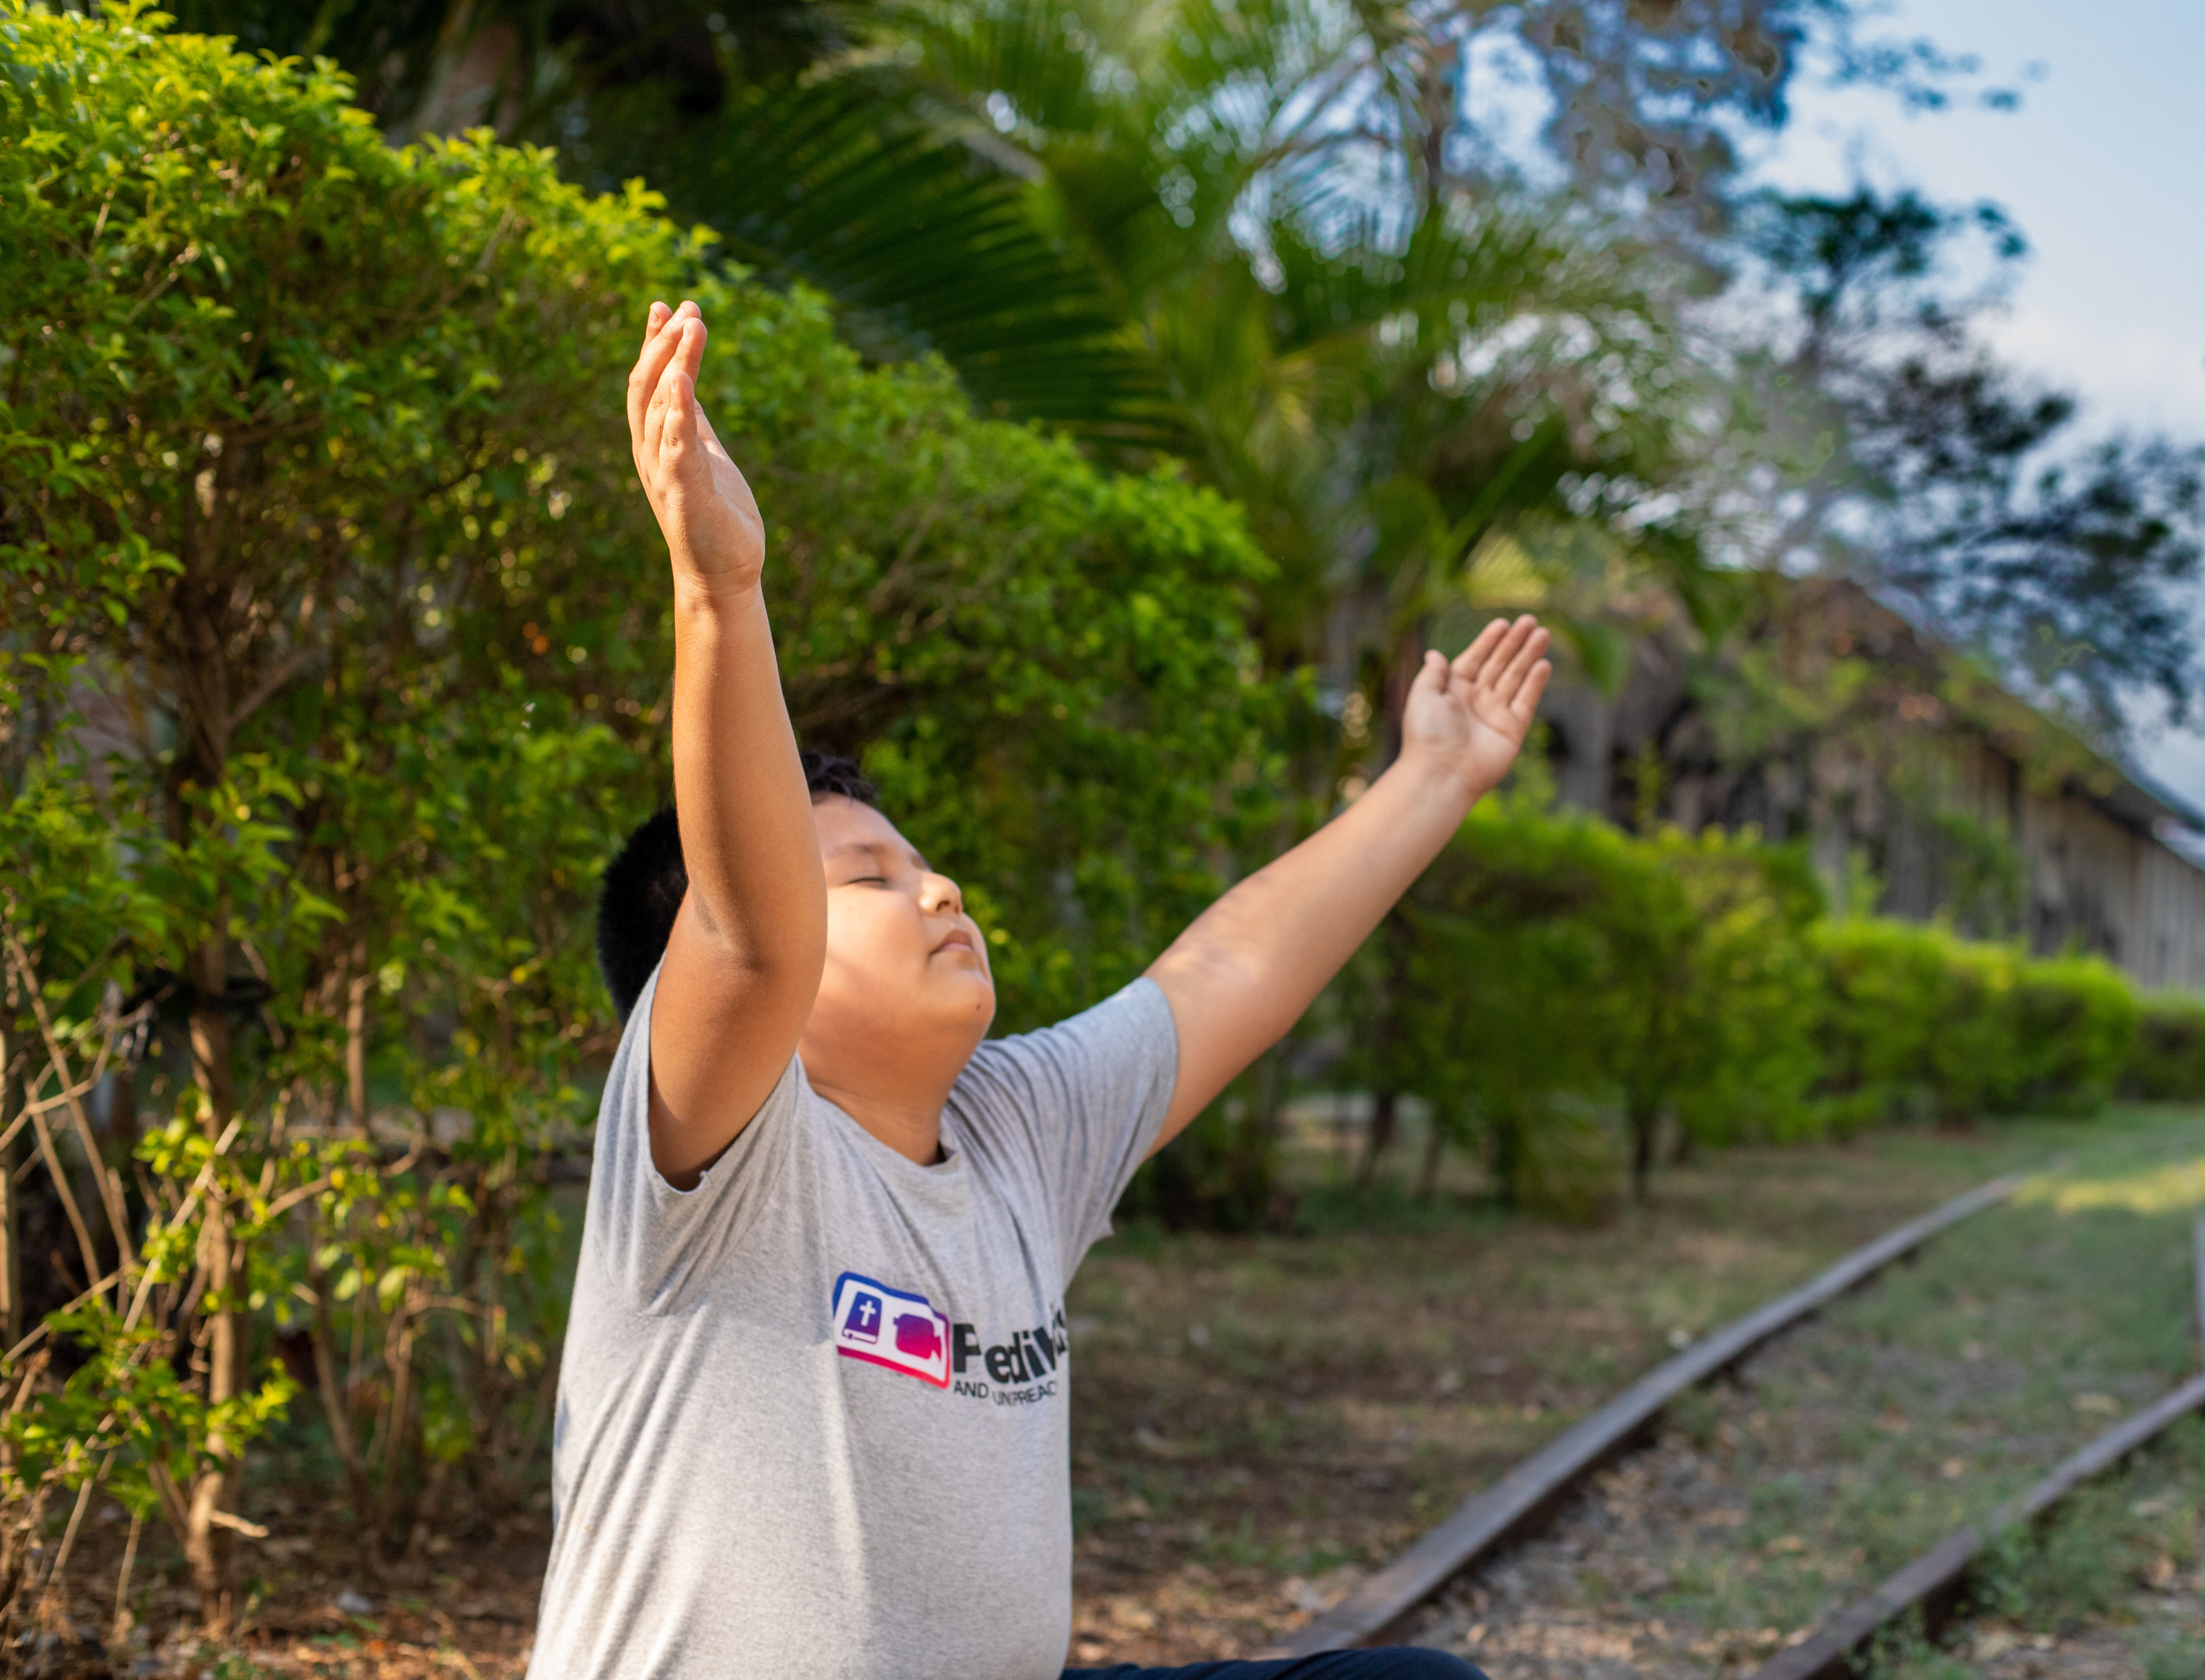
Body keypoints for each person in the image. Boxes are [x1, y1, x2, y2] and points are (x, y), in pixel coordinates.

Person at [525, 300, 1552, 1680]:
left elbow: (1230, 969)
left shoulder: (1016, 1129)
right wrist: (721, 594)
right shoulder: (718, 1148)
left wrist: (1434, 776)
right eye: (871, 880)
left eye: (922, 862)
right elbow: (757, 933)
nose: (939, 891)